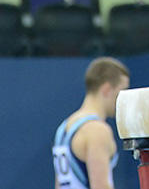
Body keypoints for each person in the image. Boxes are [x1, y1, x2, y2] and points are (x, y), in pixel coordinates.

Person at [52, 57, 130, 189]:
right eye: (121, 92)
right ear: (107, 89)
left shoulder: (63, 128)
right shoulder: (97, 130)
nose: (124, 100)